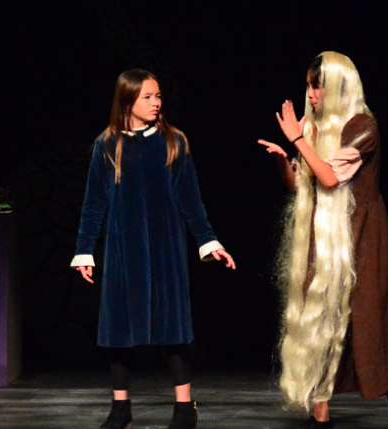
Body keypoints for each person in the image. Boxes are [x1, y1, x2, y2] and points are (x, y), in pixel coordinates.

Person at [71, 70, 235, 429]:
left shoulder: (173, 142)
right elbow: (94, 203)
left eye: (158, 96)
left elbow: (191, 201)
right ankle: (120, 407)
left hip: (166, 251)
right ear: (128, 101)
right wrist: (85, 250)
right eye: (148, 96)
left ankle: (183, 406)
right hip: (123, 252)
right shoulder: (107, 145)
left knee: (172, 329)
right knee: (118, 331)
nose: (156, 102)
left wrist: (209, 242)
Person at [257, 51, 388, 429]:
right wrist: (284, 158)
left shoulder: (363, 126)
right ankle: (321, 409)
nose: (311, 94)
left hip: (360, 232)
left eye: (317, 85)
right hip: (322, 235)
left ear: (338, 86)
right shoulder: (315, 126)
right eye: (309, 86)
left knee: (374, 312)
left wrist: (297, 139)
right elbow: (300, 184)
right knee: (321, 315)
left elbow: (329, 177)